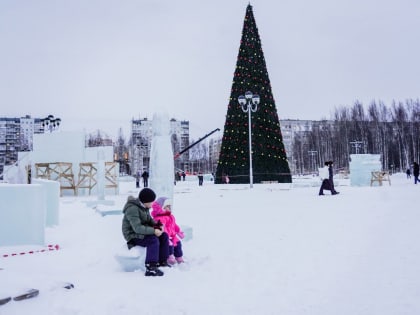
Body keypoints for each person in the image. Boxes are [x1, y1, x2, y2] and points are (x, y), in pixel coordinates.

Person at [121, 188, 170, 276]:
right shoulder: (132, 209)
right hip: (132, 234)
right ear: (145, 201)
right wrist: (154, 231)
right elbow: (137, 228)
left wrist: (158, 225)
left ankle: (162, 261)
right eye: (151, 201)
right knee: (153, 240)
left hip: (141, 231)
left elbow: (149, 220)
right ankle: (151, 267)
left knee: (164, 236)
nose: (153, 203)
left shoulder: (143, 207)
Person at [151, 197, 185, 265]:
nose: (169, 208)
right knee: (169, 244)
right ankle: (169, 257)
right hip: (166, 236)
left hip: (172, 235)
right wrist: (166, 235)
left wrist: (178, 232)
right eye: (167, 206)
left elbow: (174, 225)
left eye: (170, 206)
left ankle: (179, 257)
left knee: (178, 243)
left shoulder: (171, 216)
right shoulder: (159, 218)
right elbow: (161, 227)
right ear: (162, 207)